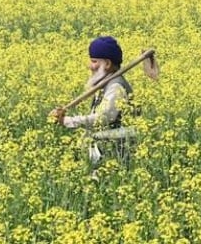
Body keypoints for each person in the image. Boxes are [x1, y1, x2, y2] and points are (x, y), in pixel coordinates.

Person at [49, 36, 138, 169]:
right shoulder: (103, 83)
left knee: (93, 139)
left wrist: (68, 121)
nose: (90, 66)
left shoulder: (116, 87)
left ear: (107, 64)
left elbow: (103, 118)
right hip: (108, 140)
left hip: (120, 143)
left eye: (94, 61)